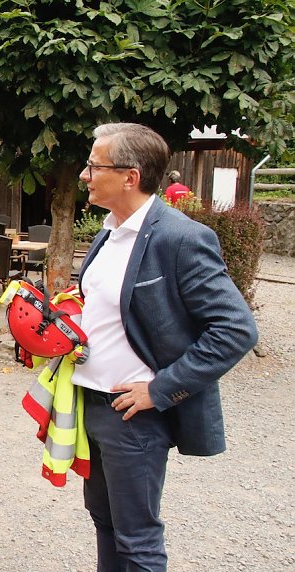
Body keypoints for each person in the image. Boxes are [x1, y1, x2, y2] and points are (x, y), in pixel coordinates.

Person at [74, 123, 258, 570]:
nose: (84, 174)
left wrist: (160, 390)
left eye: (94, 165)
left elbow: (236, 329)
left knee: (137, 539)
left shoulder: (181, 237)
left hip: (134, 414)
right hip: (91, 404)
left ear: (130, 176)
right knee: (104, 520)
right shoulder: (109, 230)